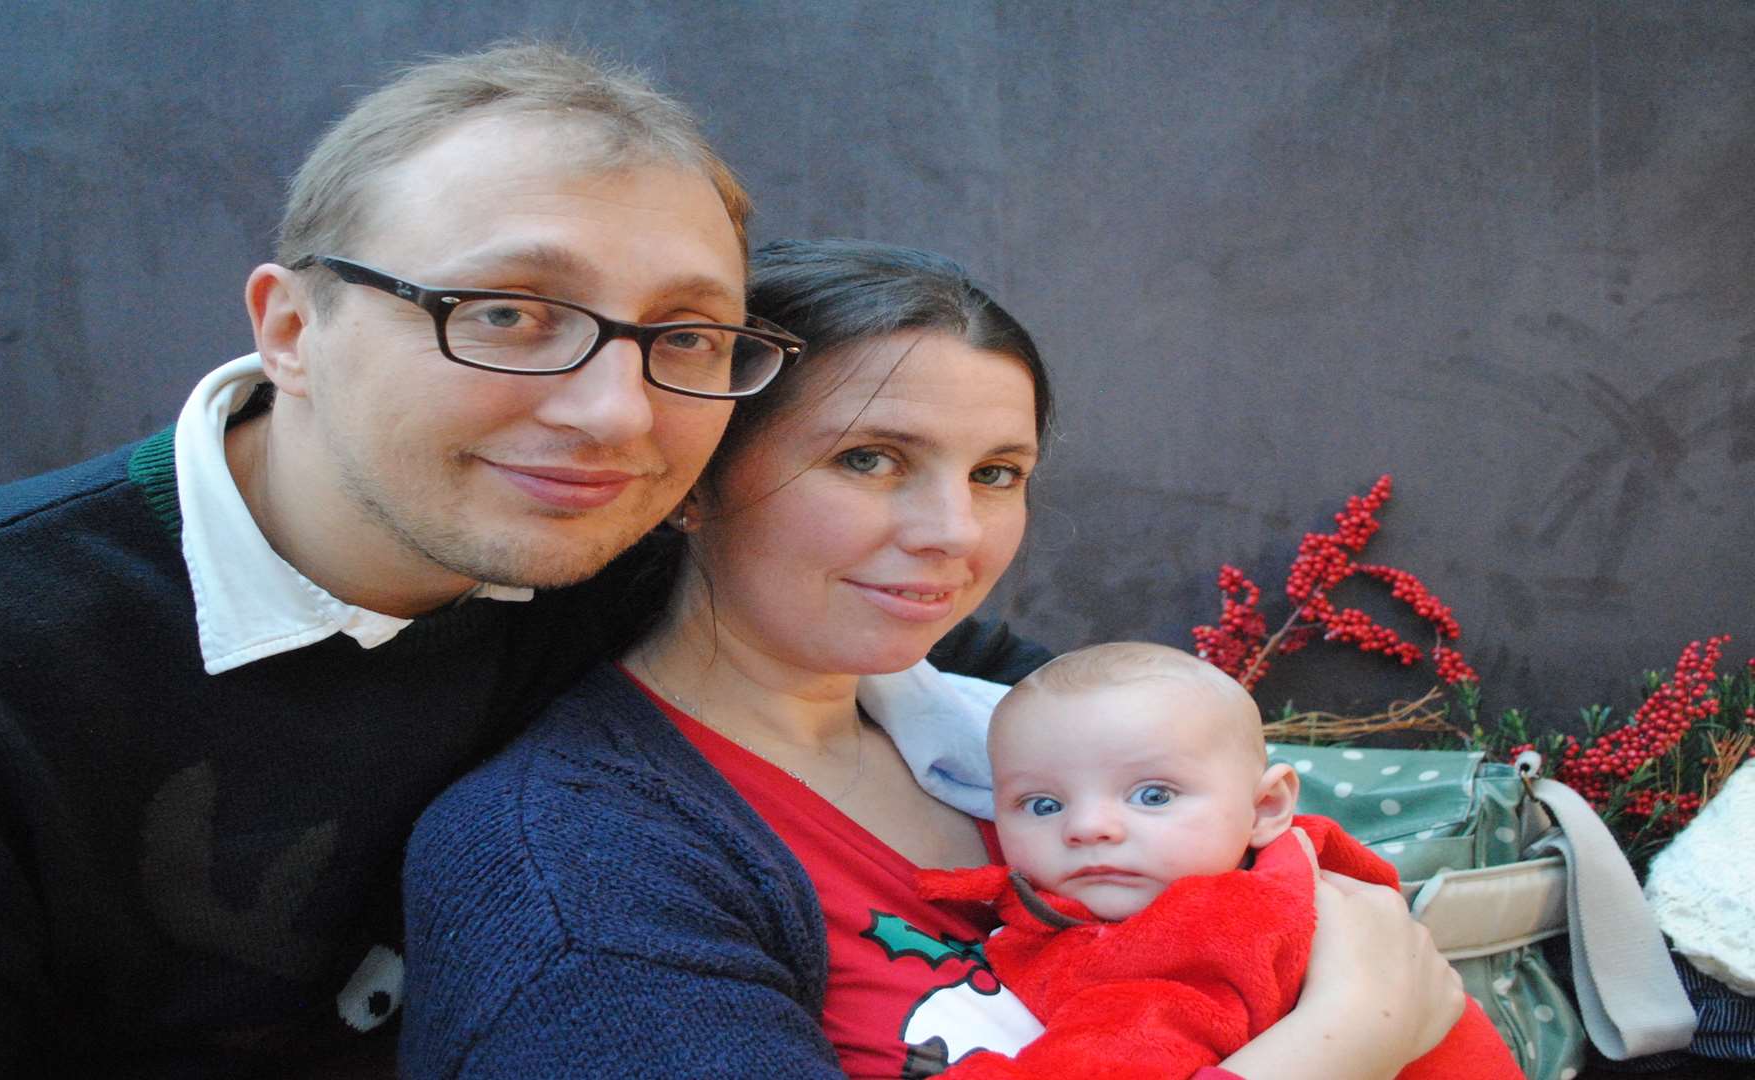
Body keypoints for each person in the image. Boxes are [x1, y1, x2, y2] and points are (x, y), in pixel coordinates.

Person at [0, 44, 1030, 1077]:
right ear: (294, 330)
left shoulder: (607, 538)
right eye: (509, 312)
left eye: (686, 336)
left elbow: (927, 631)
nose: (616, 414)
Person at [400, 240, 1470, 1080]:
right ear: (692, 478)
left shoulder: (1017, 745)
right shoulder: (566, 857)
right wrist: (1348, 1040)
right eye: (871, 460)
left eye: (998, 473)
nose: (953, 533)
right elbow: (1358, 1000)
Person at [916, 642, 1523, 1080]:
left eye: (1153, 795)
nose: (1088, 827)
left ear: (1265, 807)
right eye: (1042, 803)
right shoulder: (1279, 871)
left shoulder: (1216, 927)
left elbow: (1119, 1053)